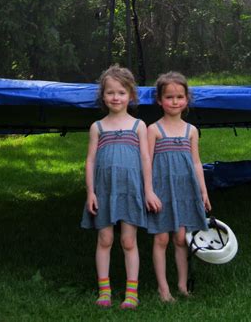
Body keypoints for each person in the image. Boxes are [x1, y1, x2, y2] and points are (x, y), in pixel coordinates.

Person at [81, 64, 161, 309]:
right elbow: (91, 160)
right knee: (104, 239)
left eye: (121, 92)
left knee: (128, 241)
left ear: (131, 95)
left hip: (130, 190)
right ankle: (104, 291)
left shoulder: (138, 126)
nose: (116, 97)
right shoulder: (98, 127)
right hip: (104, 191)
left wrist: (148, 190)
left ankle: (131, 293)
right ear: (103, 96)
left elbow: (146, 159)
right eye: (110, 92)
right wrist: (90, 192)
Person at [147, 71, 211, 302]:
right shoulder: (153, 130)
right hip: (161, 191)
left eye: (179, 97)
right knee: (161, 239)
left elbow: (196, 162)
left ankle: (182, 286)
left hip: (185, 190)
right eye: (169, 97)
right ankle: (163, 289)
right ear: (159, 100)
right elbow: (147, 162)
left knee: (181, 239)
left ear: (186, 99)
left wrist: (203, 191)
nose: (174, 102)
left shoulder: (191, 130)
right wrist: (148, 190)